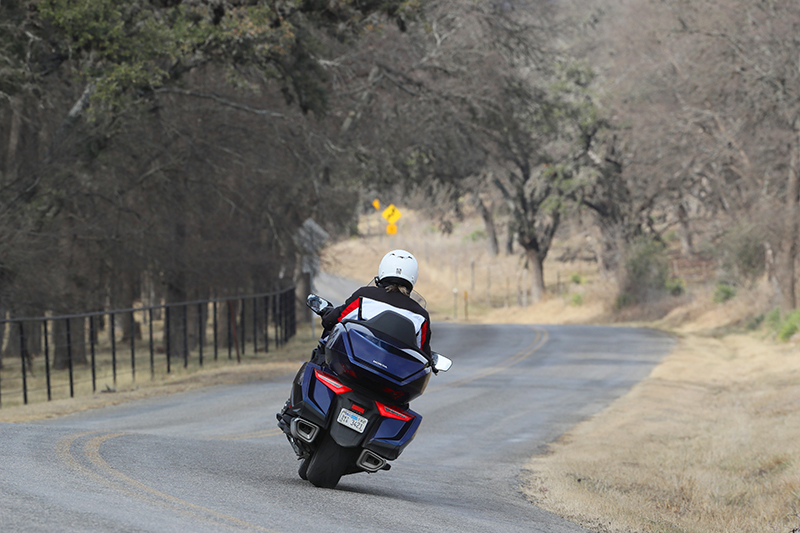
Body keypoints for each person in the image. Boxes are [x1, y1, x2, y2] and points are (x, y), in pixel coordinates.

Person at [311, 249, 432, 364]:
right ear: (413, 278)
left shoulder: (364, 296)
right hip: (393, 377)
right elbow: (422, 355)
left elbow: (333, 320)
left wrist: (327, 314)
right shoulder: (420, 316)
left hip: (353, 365)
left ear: (382, 271)